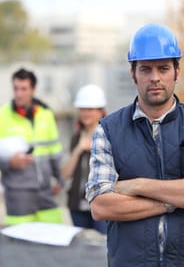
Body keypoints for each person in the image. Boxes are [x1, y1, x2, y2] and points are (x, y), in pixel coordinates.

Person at [86, 23, 184, 267]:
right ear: (133, 74)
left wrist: (136, 186)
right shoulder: (107, 130)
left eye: (163, 68)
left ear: (177, 71)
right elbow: (100, 206)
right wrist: (177, 196)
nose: (155, 77)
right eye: (146, 69)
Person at [0, 68, 64, 225]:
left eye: (23, 89)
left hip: (45, 191)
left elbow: (54, 151)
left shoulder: (46, 114)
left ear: (33, 90)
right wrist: (9, 162)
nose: (19, 94)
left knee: (54, 236)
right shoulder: (3, 116)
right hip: (18, 194)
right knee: (20, 244)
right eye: (16, 88)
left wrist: (60, 179)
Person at [62, 84, 107, 234]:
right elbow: (65, 174)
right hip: (77, 206)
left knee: (103, 247)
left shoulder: (110, 136)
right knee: (82, 251)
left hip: (102, 205)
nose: (85, 113)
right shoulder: (76, 138)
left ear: (100, 111)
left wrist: (96, 148)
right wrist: (78, 150)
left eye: (90, 109)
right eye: (82, 109)